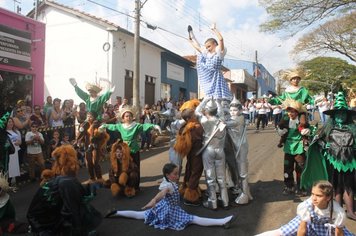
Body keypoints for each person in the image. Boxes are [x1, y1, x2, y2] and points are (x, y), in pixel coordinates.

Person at [105, 163, 237, 230]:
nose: (177, 175)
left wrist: (155, 201)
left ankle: (116, 212)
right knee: (193, 218)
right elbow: (161, 193)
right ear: (168, 175)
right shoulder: (168, 185)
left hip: (164, 207)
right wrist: (153, 200)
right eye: (175, 173)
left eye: (177, 173)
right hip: (170, 210)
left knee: (140, 215)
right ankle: (222, 222)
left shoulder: (168, 182)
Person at [301, 91, 356, 221]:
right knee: (335, 187)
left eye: (343, 114)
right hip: (333, 161)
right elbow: (317, 139)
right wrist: (322, 144)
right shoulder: (327, 129)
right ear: (334, 116)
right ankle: (336, 210)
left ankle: (350, 211)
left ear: (347, 116)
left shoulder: (353, 129)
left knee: (349, 186)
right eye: (338, 114)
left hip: (350, 162)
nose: (341, 116)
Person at [27, 145, 102, 235]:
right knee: (82, 207)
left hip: (40, 221)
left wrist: (94, 186)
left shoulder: (58, 175)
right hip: (46, 224)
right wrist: (79, 231)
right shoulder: (67, 181)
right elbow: (72, 208)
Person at [255, 180, 353, 236]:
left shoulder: (338, 212)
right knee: (282, 232)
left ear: (328, 197)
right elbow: (302, 229)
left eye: (318, 196)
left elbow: (339, 233)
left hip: (327, 228)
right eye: (312, 194)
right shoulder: (306, 207)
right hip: (308, 223)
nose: (314, 198)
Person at [100, 108, 161, 190]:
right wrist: (105, 125)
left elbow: (144, 126)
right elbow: (113, 126)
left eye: (130, 116)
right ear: (123, 118)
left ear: (132, 117)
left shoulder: (136, 126)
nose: (128, 117)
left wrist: (154, 126)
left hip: (134, 149)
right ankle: (125, 185)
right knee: (124, 167)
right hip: (124, 150)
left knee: (135, 167)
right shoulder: (120, 126)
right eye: (126, 116)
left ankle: (135, 186)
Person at [195, 97, 229, 210]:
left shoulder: (204, 120)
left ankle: (213, 202)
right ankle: (225, 201)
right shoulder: (222, 120)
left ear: (207, 110)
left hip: (208, 150)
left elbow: (197, 111)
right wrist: (218, 102)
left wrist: (205, 100)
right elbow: (221, 112)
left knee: (210, 177)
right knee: (221, 177)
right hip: (220, 150)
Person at [188, 24, 232, 100]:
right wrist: (191, 41)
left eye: (209, 46)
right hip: (208, 74)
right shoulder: (207, 54)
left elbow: (221, 39)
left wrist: (214, 29)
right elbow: (198, 48)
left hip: (216, 77)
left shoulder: (219, 53)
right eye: (206, 47)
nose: (208, 49)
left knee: (220, 99)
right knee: (200, 53)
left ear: (215, 44)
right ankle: (192, 35)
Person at [276, 100, 310, 195]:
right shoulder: (286, 119)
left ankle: (301, 187)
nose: (290, 113)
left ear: (297, 112)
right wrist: (279, 131)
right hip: (288, 147)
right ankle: (289, 186)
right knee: (287, 168)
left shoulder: (302, 120)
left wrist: (307, 132)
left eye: (293, 111)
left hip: (299, 147)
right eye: (289, 111)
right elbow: (280, 127)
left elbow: (310, 129)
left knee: (300, 168)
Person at [225, 97, 253, 204]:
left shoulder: (238, 119)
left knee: (242, 173)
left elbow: (226, 124)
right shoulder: (235, 118)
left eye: (235, 110)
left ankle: (245, 195)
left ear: (240, 110)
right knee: (240, 171)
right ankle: (246, 192)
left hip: (241, 147)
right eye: (231, 110)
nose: (232, 112)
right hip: (236, 146)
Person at [174, 107, 204, 206]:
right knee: (196, 171)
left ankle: (186, 189)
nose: (196, 116)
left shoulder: (184, 127)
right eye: (194, 115)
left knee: (189, 169)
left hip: (190, 153)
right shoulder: (196, 127)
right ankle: (190, 196)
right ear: (188, 118)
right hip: (197, 152)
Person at [6, 118, 21, 185]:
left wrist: (18, 142)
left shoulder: (16, 131)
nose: (11, 123)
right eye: (9, 122)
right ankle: (7, 183)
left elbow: (20, 141)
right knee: (8, 167)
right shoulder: (4, 132)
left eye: (11, 122)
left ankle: (11, 182)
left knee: (14, 167)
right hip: (8, 153)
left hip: (15, 152)